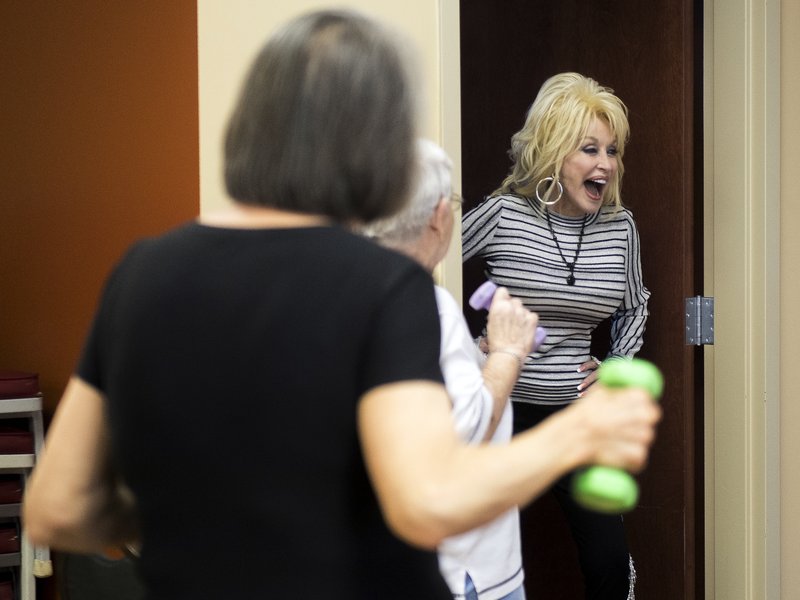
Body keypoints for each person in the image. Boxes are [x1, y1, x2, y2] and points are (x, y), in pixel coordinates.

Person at [23, 13, 660, 600]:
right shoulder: (381, 288)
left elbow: (55, 506)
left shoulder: (142, 271)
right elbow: (427, 502)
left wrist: (201, 519)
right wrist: (574, 434)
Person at [461, 72, 651, 599]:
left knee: (608, 562)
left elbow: (635, 305)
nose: (605, 164)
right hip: (500, 410)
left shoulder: (621, 228)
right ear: (552, 151)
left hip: (574, 416)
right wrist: (466, 347)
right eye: (589, 149)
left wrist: (617, 365)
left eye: (611, 151)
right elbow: (430, 264)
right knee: (475, 561)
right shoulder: (504, 214)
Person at [362, 139, 533, 600]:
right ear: (439, 216)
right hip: (467, 571)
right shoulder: (426, 304)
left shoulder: (350, 292)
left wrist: (478, 357)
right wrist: (507, 353)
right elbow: (466, 429)